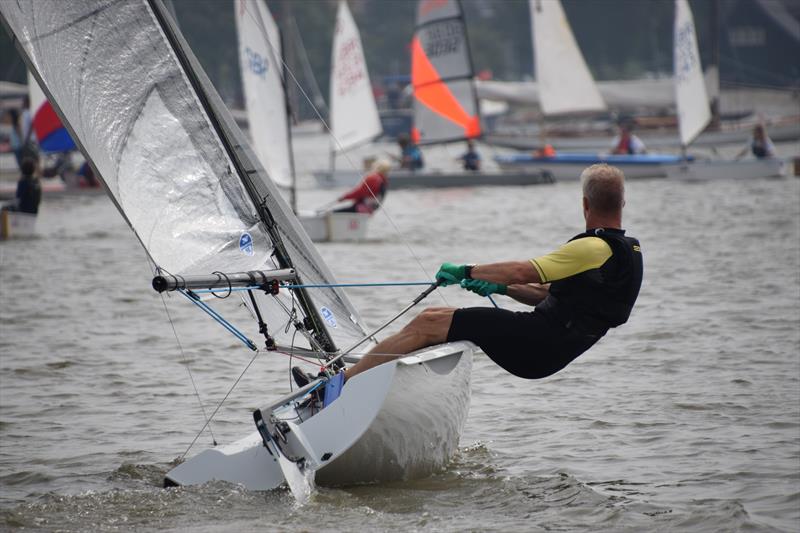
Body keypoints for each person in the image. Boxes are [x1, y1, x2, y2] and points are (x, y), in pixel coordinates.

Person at [337, 163, 643, 384]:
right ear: (624, 203)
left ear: (585, 203)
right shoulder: (626, 252)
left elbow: (522, 271)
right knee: (441, 320)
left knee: (430, 320)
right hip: (550, 351)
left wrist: (466, 270)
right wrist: (498, 289)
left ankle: (343, 383)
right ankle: (376, 374)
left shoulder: (592, 247)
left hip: (539, 342)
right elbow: (546, 293)